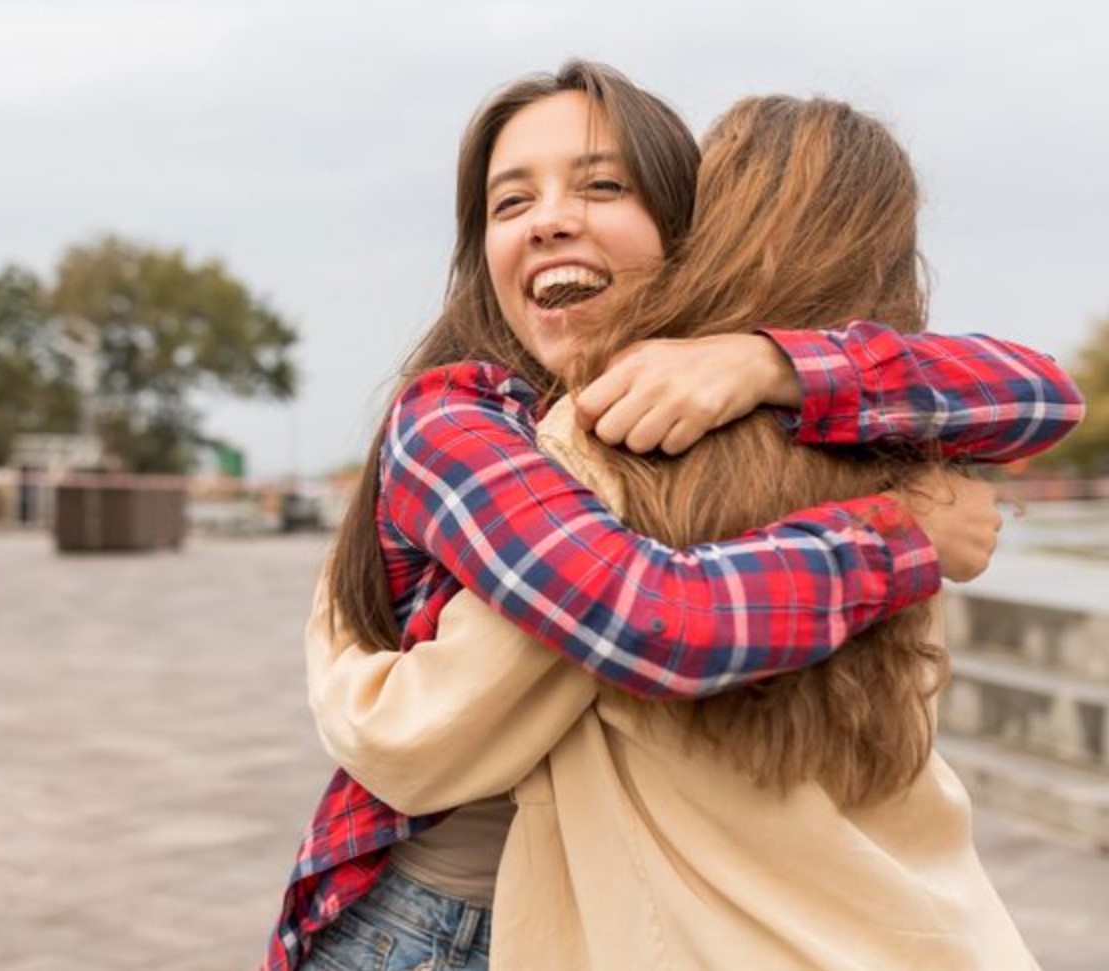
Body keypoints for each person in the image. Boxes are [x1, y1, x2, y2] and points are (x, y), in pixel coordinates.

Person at [266, 62, 1083, 971]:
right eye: (508, 203)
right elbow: (656, 619)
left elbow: (1044, 394)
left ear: (685, 227)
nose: (549, 219)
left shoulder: (724, 413)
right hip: (430, 928)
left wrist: (769, 363)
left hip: (606, 913)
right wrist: (908, 534)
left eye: (601, 185)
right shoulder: (461, 417)